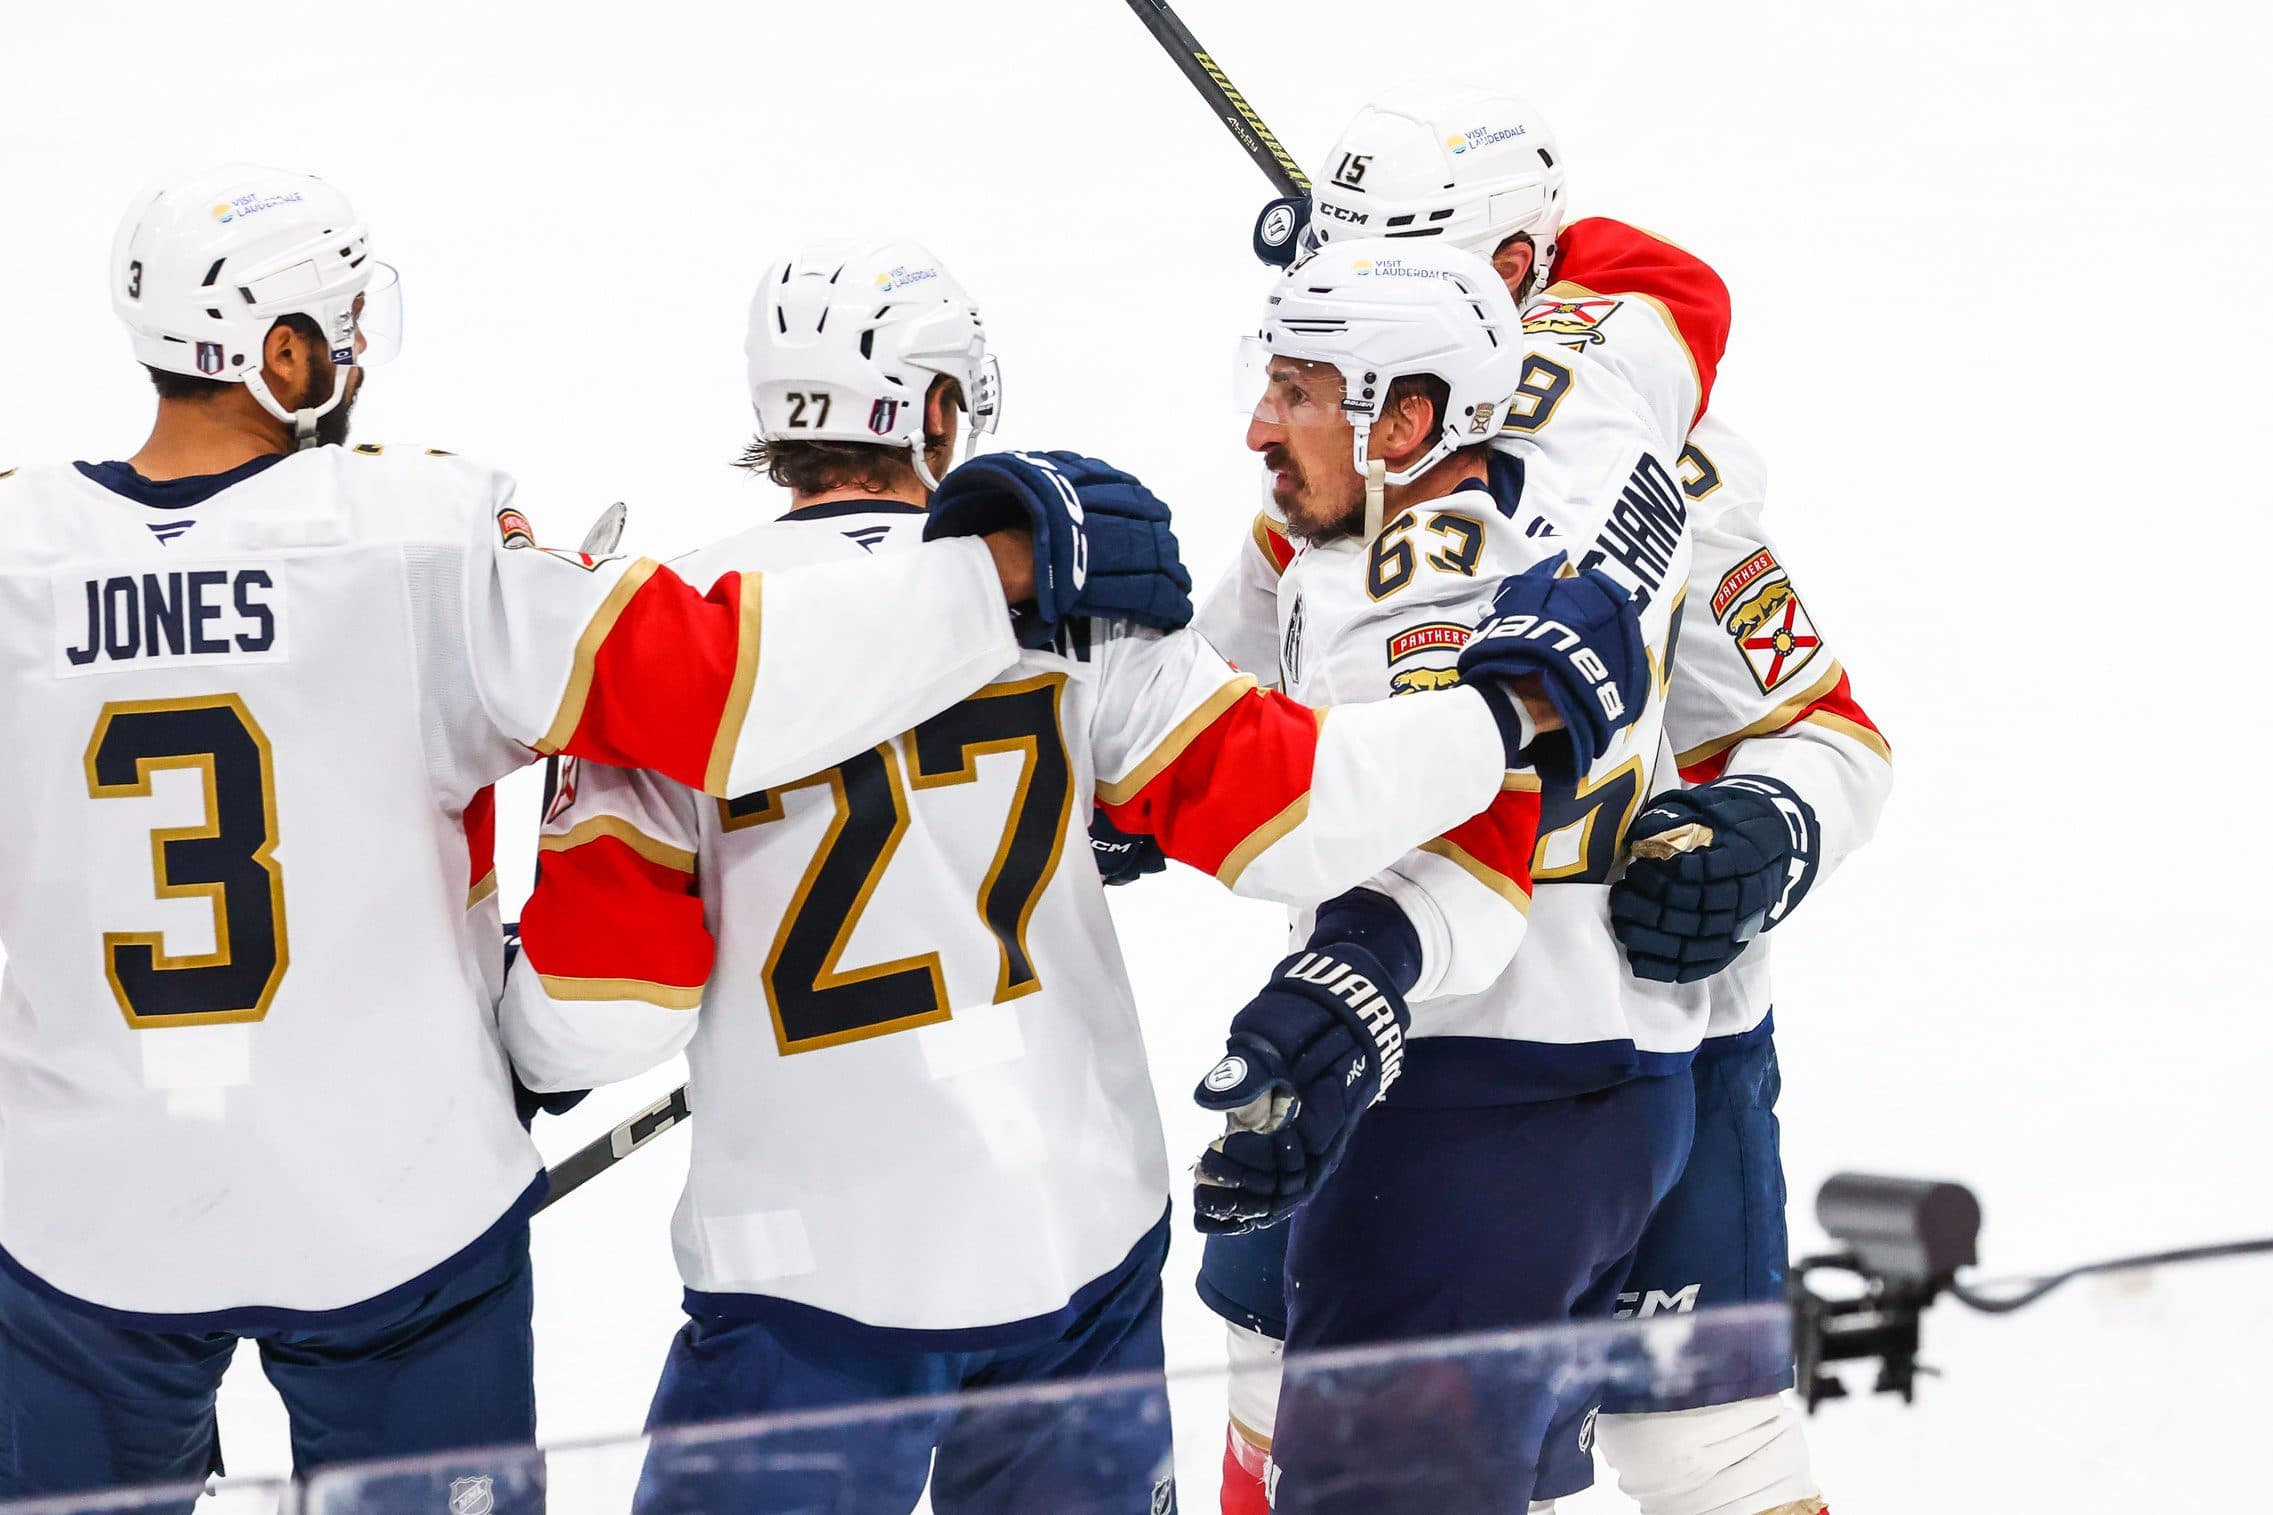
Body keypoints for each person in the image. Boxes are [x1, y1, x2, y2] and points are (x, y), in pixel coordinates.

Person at [0, 167, 1186, 1506]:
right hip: (393, 1216)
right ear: (287, 355)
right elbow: (717, 686)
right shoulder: (420, 536)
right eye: (341, 321)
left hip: (79, 1223)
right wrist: (997, 578)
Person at [499, 238, 1650, 1515]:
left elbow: (608, 1003)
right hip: (1078, 1232)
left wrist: (513, 1046)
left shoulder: (663, 633)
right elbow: (1305, 813)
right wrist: (1505, 714)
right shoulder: (1075, 601)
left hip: (807, 1268)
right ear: (943, 410)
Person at [1178, 82, 1891, 1515]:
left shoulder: (1655, 470)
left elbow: (1824, 726)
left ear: (1507, 282)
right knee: (1276, 1389)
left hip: (1653, 1041)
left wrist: (1769, 827)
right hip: (1382, 1047)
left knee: (1713, 1452)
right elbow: (1205, 705)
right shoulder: (1309, 499)